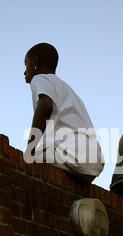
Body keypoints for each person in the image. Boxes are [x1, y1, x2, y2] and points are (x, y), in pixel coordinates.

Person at [23, 43, 104, 183]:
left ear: (35, 63)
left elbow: (45, 105)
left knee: (23, 163)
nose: (24, 72)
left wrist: (29, 149)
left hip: (73, 154)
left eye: (26, 66)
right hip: (94, 163)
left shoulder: (40, 79)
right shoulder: (68, 90)